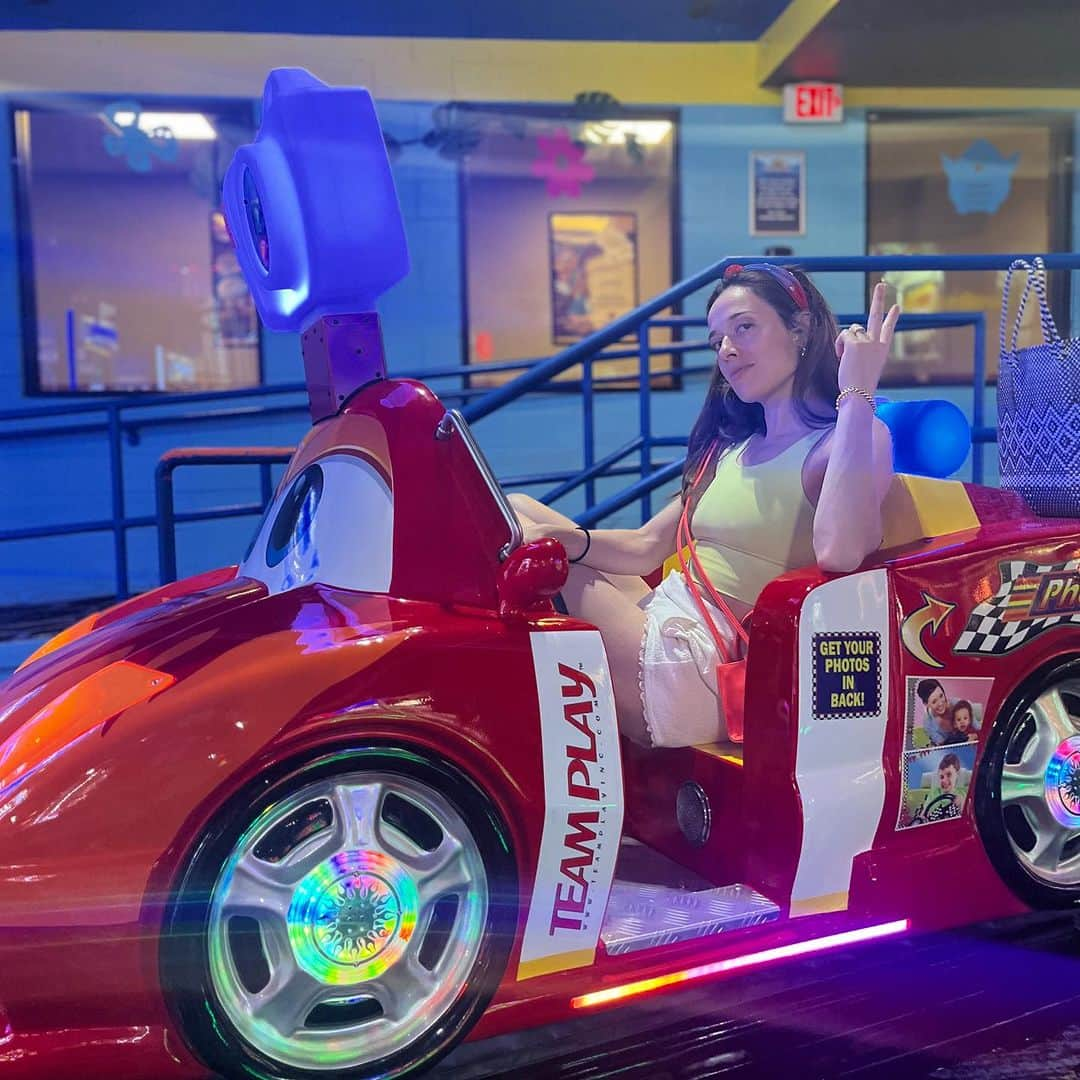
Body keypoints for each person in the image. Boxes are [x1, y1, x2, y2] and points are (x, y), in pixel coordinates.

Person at [510, 265, 899, 748]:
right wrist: (576, 540)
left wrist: (856, 391)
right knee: (515, 507)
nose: (728, 351)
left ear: (799, 329)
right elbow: (645, 547)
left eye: (745, 328)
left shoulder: (844, 440)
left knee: (537, 558)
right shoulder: (731, 448)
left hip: (700, 668)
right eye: (717, 341)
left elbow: (841, 552)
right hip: (666, 618)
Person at [917, 678, 953, 746]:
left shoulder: (957, 704)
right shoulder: (928, 724)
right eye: (934, 701)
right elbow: (943, 746)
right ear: (926, 704)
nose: (940, 703)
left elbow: (977, 727)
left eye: (941, 696)